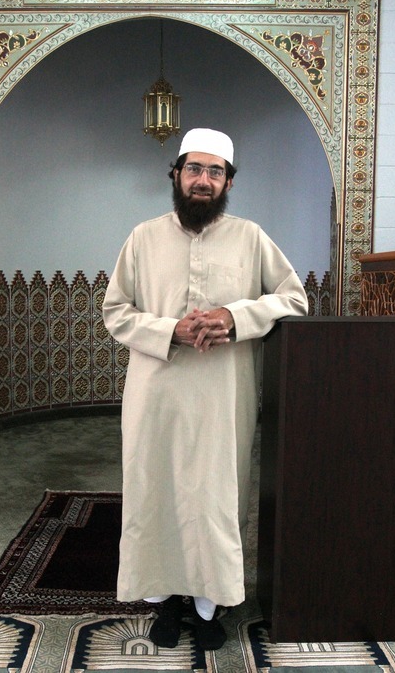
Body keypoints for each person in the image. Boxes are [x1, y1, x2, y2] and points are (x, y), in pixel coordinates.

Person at [102, 128, 308, 650]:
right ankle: (164, 603)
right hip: (157, 391)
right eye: (194, 169)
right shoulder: (143, 238)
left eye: (216, 172)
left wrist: (234, 317)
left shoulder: (251, 237)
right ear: (175, 174)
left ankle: (209, 605)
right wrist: (170, 330)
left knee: (214, 497)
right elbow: (115, 311)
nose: (203, 180)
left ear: (229, 182)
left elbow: (294, 299)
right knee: (157, 492)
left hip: (224, 393)